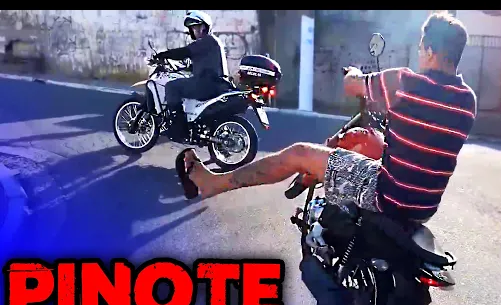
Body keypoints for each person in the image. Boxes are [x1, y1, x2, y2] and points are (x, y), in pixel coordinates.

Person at [181, 11, 477, 224]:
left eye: (421, 48)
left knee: (300, 152)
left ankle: (215, 183)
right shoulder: (467, 101)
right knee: (365, 144)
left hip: (388, 197)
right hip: (425, 208)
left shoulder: (404, 82)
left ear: (430, 50)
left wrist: (354, 73)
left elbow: (352, 86)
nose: (420, 54)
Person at [153, 10, 230, 140]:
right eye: (192, 28)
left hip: (207, 84)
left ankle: (178, 127)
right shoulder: (211, 43)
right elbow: (199, 64)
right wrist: (181, 67)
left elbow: (184, 52)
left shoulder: (207, 41)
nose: (193, 31)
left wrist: (163, 55)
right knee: (183, 83)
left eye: (195, 27)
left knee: (172, 86)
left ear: (204, 27)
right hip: (215, 83)